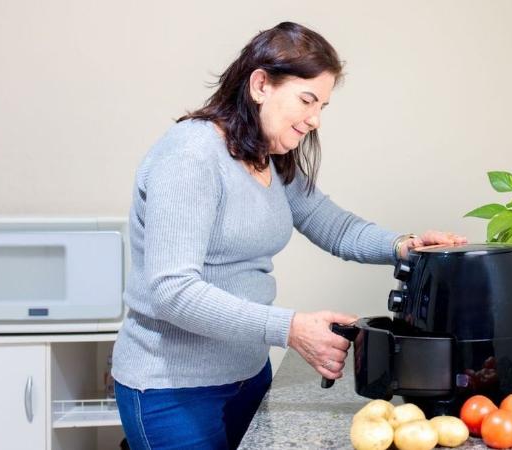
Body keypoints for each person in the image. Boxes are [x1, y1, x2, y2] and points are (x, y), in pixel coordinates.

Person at [111, 21, 467, 450]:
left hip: (247, 376)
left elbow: (335, 226)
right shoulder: (190, 156)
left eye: (322, 106)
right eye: (306, 100)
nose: (314, 119)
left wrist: (403, 247)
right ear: (260, 84)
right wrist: (291, 328)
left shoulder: (268, 157)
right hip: (172, 390)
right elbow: (172, 290)